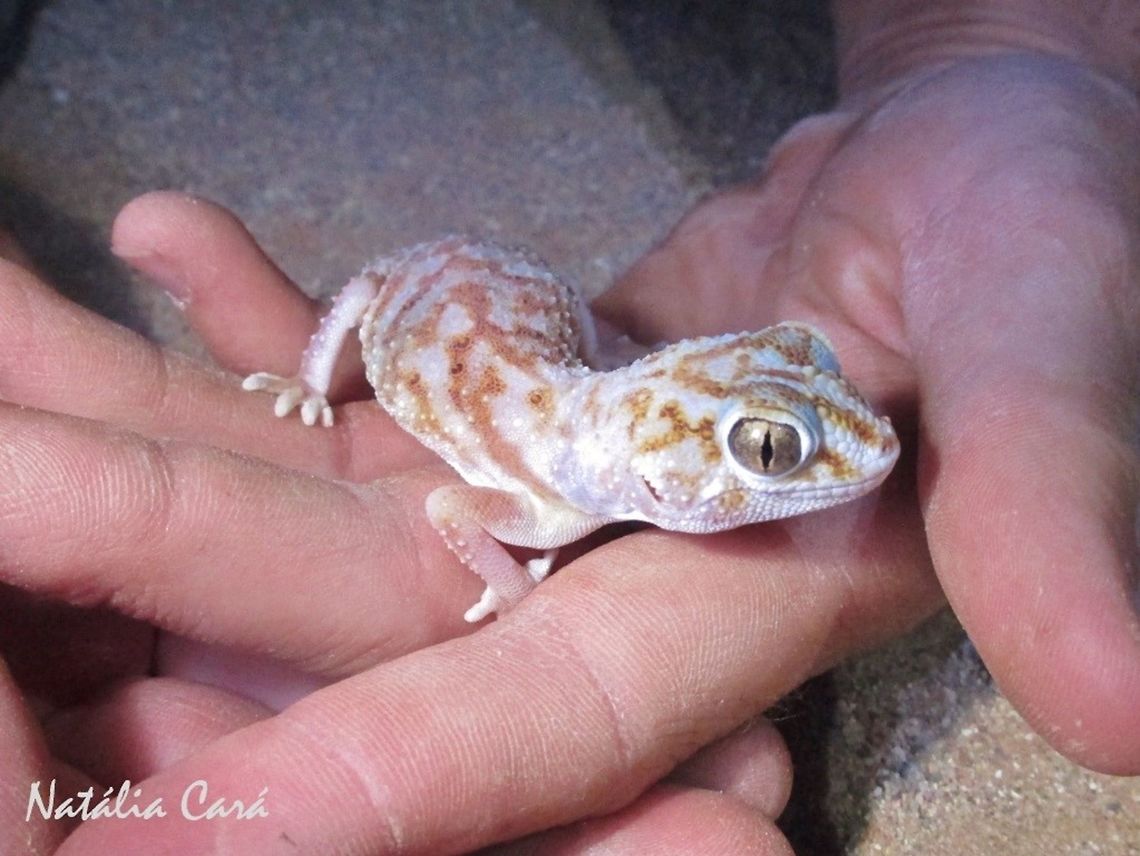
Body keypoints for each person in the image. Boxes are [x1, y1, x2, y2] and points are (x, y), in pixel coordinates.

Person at [2, 0, 1137, 851]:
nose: (863, 452)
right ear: (661, 470)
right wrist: (504, 577)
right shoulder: (539, 490)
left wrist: (984, 37)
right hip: (423, 288)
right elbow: (453, 506)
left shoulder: (614, 423)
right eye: (771, 453)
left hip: (512, 303)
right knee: (360, 303)